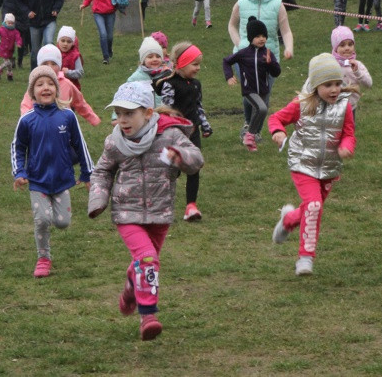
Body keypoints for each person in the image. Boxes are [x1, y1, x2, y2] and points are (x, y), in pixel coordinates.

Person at [88, 81, 204, 341]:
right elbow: (102, 171)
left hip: (160, 212)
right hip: (126, 212)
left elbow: (196, 159)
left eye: (129, 113)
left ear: (148, 113)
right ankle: (148, 315)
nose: (123, 120)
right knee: (148, 259)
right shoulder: (114, 142)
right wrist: (98, 199)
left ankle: (131, 286)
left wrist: (180, 157)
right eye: (118, 114)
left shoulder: (170, 135)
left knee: (143, 262)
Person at [268, 53, 357, 276]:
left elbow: (349, 134)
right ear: (316, 85)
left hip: (328, 169)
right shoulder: (302, 104)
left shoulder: (344, 107)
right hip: (302, 164)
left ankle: (288, 220)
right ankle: (305, 258)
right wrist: (278, 132)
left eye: (338, 84)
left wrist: (347, 147)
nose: (335, 89)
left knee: (311, 209)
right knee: (314, 206)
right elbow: (276, 118)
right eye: (328, 85)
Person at [11, 66, 93, 278]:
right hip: (37, 180)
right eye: (39, 85)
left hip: (62, 179)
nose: (45, 88)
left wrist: (87, 173)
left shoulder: (67, 116)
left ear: (56, 89)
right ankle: (43, 258)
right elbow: (18, 147)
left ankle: (53, 225)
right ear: (32, 92)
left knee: (62, 222)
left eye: (49, 84)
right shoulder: (27, 120)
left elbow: (80, 144)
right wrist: (19, 171)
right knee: (42, 220)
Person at [227, 0, 295, 141]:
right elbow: (231, 25)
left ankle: (255, 130)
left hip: (268, 58)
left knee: (264, 93)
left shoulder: (277, 4)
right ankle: (249, 127)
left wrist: (289, 48)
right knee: (250, 92)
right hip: (245, 57)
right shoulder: (241, 3)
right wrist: (239, 43)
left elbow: (285, 30)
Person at [154, 42, 212, 222]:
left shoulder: (196, 84)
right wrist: (169, 127)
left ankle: (191, 206)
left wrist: (205, 124)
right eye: (195, 64)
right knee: (172, 169)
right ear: (182, 63)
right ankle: (159, 202)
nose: (198, 68)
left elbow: (198, 107)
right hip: (175, 133)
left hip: (192, 131)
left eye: (199, 64)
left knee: (194, 167)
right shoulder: (170, 84)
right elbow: (166, 108)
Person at [222, 17, 281, 151]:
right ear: (250, 38)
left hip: (264, 90)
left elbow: (276, 72)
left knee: (259, 113)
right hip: (249, 90)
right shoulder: (243, 54)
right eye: (257, 36)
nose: (261, 39)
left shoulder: (268, 54)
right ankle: (250, 135)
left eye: (263, 36)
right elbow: (226, 61)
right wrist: (229, 76)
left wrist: (270, 63)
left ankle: (250, 141)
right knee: (262, 109)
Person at [20, 45, 101, 127]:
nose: (50, 67)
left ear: (60, 66)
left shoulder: (67, 84)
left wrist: (93, 118)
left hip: (63, 126)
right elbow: (26, 104)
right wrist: (26, 121)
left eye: (54, 64)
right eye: (45, 64)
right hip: (40, 125)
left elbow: (79, 101)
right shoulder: (36, 84)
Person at [17, 0, 64, 69]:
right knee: (35, 51)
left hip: (49, 20)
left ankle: (51, 69)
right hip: (34, 23)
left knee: (48, 43)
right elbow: (19, 1)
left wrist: (56, 8)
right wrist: (27, 11)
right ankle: (34, 73)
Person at [80, 0, 120, 65]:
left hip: (110, 12)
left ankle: (109, 49)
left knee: (109, 36)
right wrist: (84, 4)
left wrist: (118, 2)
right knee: (103, 34)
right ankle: (105, 57)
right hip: (98, 13)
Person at [329, 25, 372, 117]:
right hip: (332, 107)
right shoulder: (330, 64)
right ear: (335, 47)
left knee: (349, 131)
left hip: (351, 108)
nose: (347, 48)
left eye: (350, 44)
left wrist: (357, 72)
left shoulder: (357, 65)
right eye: (342, 45)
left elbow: (369, 84)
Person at [0, 13, 22, 81]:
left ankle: (9, 75)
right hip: (3, 49)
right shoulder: (1, 30)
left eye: (12, 23)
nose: (10, 24)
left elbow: (18, 37)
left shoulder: (15, 31)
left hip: (10, 49)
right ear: (5, 22)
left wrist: (19, 43)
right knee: (7, 62)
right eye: (9, 23)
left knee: (9, 64)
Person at [56, 25, 83, 90]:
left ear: (73, 43)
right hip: (56, 87)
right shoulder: (54, 53)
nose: (65, 44)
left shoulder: (75, 55)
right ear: (58, 41)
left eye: (69, 41)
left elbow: (80, 72)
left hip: (71, 88)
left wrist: (68, 72)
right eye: (63, 40)